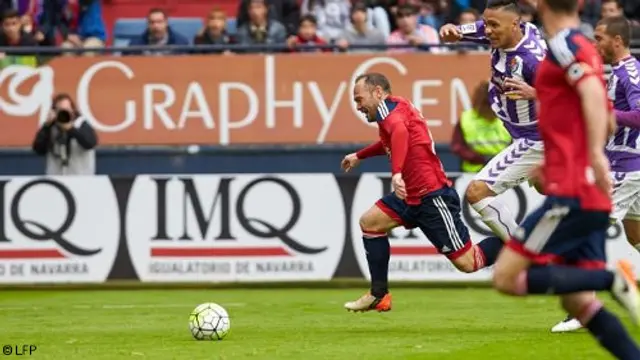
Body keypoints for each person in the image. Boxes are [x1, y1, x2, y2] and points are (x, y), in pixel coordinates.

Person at [491, 0, 640, 357]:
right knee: (577, 303)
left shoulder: (563, 44)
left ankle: (615, 280)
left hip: (572, 189)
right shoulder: (584, 46)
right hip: (583, 182)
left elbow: (592, 98)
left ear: (539, 4)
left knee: (507, 278)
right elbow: (596, 110)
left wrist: (590, 158)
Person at [341, 73, 504, 312]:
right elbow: (390, 140)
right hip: (411, 196)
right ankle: (379, 294)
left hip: (432, 196)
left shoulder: (391, 114)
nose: (358, 107)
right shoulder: (398, 106)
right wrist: (359, 155)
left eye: (359, 99)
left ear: (377, 92)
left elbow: (399, 133)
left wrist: (396, 173)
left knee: (469, 263)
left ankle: (520, 242)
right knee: (370, 222)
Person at [551, 16, 640, 333]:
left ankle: (583, 309)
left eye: (600, 38)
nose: (595, 43)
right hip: (629, 165)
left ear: (617, 40)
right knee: (635, 236)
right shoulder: (617, 72)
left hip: (626, 167)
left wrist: (606, 113)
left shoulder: (630, 72)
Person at [439, 0, 546, 244]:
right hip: (525, 135)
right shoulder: (516, 30)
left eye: (493, 25)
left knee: (477, 192)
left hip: (535, 139)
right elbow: (475, 29)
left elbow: (571, 97)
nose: (487, 31)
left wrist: (536, 93)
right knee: (546, 187)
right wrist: (453, 30)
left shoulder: (531, 60)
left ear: (515, 25)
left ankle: (527, 255)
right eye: (487, 23)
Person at [451, 80, 512, 173]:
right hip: (473, 173)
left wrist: (501, 159)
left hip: (505, 171)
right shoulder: (466, 119)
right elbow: (457, 146)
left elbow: (518, 144)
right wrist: (480, 159)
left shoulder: (508, 117)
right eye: (486, 104)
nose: (489, 108)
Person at [32, 94, 98, 175]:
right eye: (60, 110)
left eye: (67, 110)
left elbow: (90, 143)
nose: (64, 114)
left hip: (80, 178)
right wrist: (46, 126)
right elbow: (38, 149)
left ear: (73, 110)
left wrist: (71, 129)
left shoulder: (81, 124)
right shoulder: (51, 127)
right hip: (56, 178)